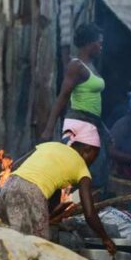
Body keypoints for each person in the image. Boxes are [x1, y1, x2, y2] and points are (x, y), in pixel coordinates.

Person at [0, 121, 117, 255]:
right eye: (94, 156)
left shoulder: (51, 145)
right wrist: (105, 238)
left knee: (7, 243)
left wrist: (48, 215)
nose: (93, 162)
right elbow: (89, 213)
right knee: (37, 251)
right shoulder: (82, 169)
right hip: (30, 193)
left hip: (7, 188)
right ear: (86, 150)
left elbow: (15, 166)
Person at [41, 23, 109, 188]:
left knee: (95, 173)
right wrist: (48, 129)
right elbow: (63, 97)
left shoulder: (91, 66)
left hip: (92, 124)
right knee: (74, 172)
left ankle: (84, 208)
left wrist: (104, 128)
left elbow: (93, 103)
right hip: (78, 124)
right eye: (99, 43)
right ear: (89, 44)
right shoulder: (76, 66)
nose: (101, 46)